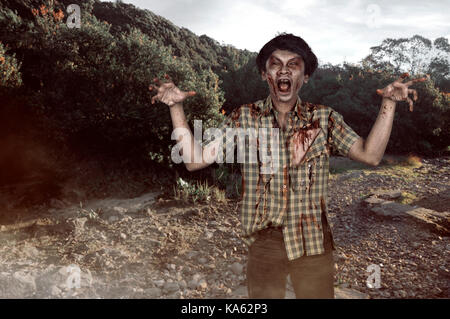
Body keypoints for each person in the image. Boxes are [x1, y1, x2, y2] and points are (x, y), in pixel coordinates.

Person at [149, 33, 426, 299]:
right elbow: (195, 160)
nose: (284, 71)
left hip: (313, 244)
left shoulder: (324, 118)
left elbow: (370, 155)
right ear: (264, 74)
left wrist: (389, 103)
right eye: (275, 64)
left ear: (304, 77)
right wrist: (175, 107)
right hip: (264, 245)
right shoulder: (243, 117)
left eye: (293, 65)